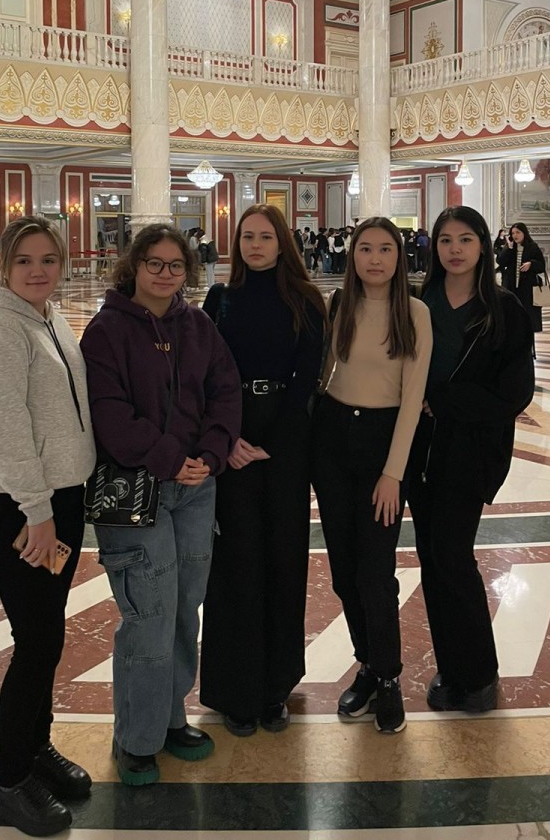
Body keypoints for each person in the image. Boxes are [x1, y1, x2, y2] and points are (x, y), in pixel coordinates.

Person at [81, 224, 240, 788]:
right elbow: (109, 412)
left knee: (182, 609)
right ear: (135, 266)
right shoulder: (105, 331)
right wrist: (171, 458)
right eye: (155, 263)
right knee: (147, 614)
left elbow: (225, 391)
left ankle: (170, 718)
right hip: (134, 493)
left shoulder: (197, 326)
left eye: (176, 265)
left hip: (196, 489)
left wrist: (211, 454)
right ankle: (136, 738)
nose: (166, 273)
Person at [0, 216, 96, 837]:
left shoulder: (48, 317)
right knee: (36, 641)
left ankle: (36, 749)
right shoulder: (0, 330)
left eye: (48, 259)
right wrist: (38, 512)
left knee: (48, 636)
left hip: (58, 503)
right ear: (4, 267)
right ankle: (11, 783)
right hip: (19, 512)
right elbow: (5, 428)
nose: (38, 271)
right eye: (24, 261)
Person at [200, 203, 325, 735]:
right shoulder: (219, 299)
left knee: (283, 560)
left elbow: (308, 377)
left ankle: (275, 687)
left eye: (265, 237)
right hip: (230, 437)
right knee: (236, 563)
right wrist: (227, 439)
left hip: (285, 442)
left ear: (282, 244)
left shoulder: (305, 300)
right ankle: (236, 690)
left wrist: (273, 441)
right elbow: (205, 375)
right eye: (247, 237)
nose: (255, 245)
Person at [407, 206, 535, 716]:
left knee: (452, 556)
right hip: (418, 450)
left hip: (469, 451)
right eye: (445, 240)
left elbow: (514, 392)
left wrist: (443, 400)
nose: (454, 249)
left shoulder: (503, 309)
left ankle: (479, 674)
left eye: (465, 239)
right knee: (432, 559)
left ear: (483, 245)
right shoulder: (420, 303)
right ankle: (451, 666)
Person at [311, 216, 431, 735]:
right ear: (353, 254)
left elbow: (412, 399)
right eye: (365, 249)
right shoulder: (339, 305)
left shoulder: (415, 313)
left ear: (399, 257)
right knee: (343, 571)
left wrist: (392, 474)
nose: (375, 259)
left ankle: (388, 677)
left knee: (375, 574)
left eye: (385, 249)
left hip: (383, 444)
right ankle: (367, 664)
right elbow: (323, 376)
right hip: (333, 441)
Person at [496, 222, 546, 340]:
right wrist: (509, 248)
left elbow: (541, 266)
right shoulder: (510, 247)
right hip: (511, 287)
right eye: (513, 233)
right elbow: (501, 261)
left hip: (528, 289)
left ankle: (528, 340)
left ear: (524, 233)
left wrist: (531, 264)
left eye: (518, 232)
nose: (515, 235)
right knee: (512, 315)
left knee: (528, 316)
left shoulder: (532, 247)